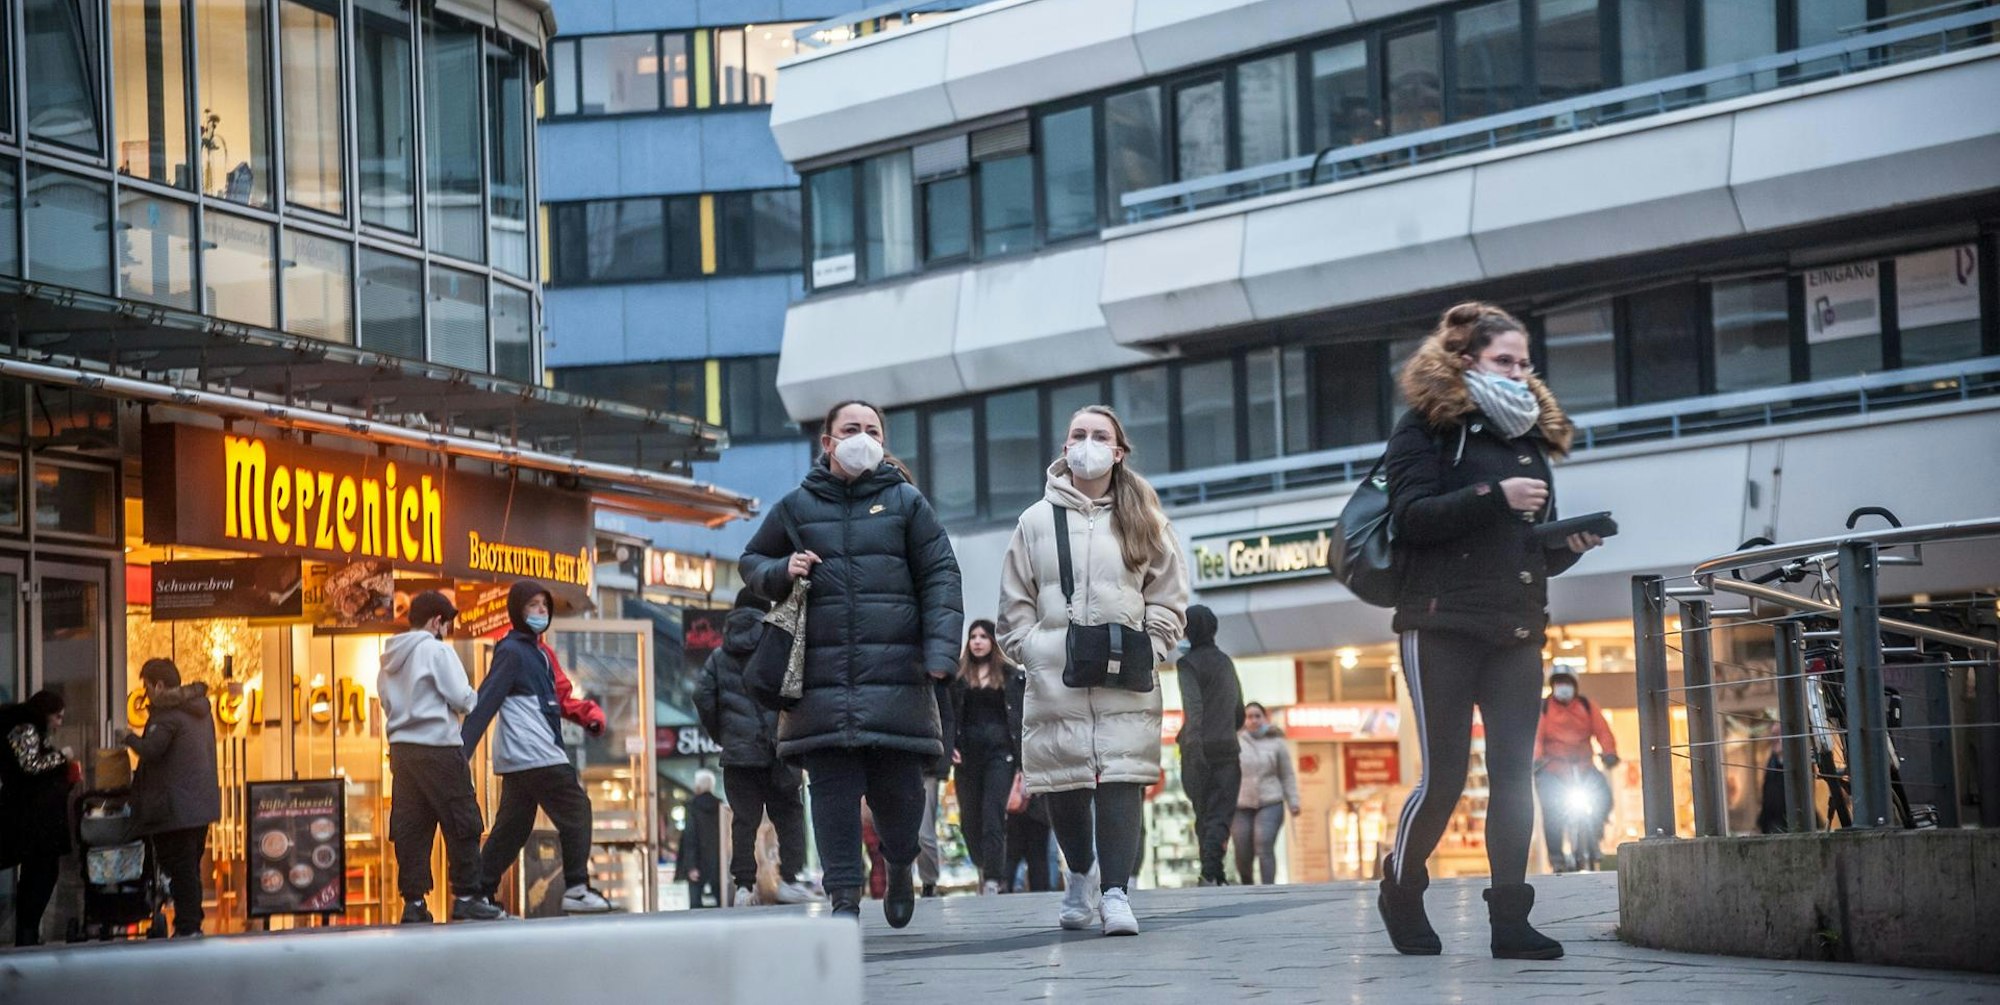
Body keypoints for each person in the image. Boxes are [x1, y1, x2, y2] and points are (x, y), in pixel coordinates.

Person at [1377, 302, 1602, 961]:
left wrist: (1571, 545)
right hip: (1439, 621)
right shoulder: (1426, 428)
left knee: (1513, 775)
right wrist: (1493, 496)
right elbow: (1410, 518)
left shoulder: (1529, 440)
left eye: (1526, 362)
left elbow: (1532, 545)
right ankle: (1401, 882)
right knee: (1444, 775)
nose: (1521, 372)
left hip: (1516, 627)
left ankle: (1510, 918)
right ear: (1467, 359)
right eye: (1506, 360)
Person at [738, 400, 964, 925]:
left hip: (898, 677)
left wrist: (939, 652)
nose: (862, 437)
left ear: (884, 441)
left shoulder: (907, 503)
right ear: (827, 443)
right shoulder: (795, 507)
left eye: (872, 430)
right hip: (821, 683)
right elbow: (751, 562)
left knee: (901, 794)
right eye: (850, 429)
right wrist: (782, 568)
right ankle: (843, 897)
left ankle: (901, 862)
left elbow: (941, 577)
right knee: (833, 795)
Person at [1000, 405, 1189, 937]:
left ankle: (1116, 894)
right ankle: (1081, 873)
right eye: (1078, 435)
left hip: (1124, 671)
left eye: (1099, 435)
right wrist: (1035, 651)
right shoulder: (1034, 521)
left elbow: (1168, 594)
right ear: (1065, 450)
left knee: (1121, 780)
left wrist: (1151, 646)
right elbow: (1014, 603)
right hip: (1056, 675)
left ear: (1118, 451)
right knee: (1063, 785)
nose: (1087, 443)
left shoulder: (1145, 516)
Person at [461, 580, 613, 915]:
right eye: (533, 606)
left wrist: (589, 717)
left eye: (544, 606)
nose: (541, 612)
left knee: (512, 828)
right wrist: (461, 751)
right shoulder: (512, 651)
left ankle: (476, 894)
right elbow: (486, 700)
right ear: (518, 611)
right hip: (535, 751)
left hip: (524, 756)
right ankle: (575, 887)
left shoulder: (541, 653)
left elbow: (560, 698)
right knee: (577, 809)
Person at [380, 591, 507, 924]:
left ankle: (414, 903)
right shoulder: (437, 651)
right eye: (446, 623)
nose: (447, 629)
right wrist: (471, 698)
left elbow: (385, 702)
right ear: (437, 621)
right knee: (462, 819)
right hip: (439, 747)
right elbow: (462, 698)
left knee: (412, 826)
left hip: (402, 752)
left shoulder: (391, 658)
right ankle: (466, 896)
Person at [693, 588, 816, 907]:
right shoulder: (777, 646)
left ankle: (744, 887)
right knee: (789, 814)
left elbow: (702, 697)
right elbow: (796, 690)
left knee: (744, 821)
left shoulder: (718, 657)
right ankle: (789, 879)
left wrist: (723, 734)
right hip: (778, 751)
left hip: (739, 755)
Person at [123, 659, 222, 938]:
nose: (146, 693)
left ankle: (188, 926)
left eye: (147, 686)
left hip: (175, 808)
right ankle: (191, 922)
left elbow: (153, 750)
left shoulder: (167, 713)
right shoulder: (200, 711)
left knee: (180, 867)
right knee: (189, 866)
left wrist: (128, 738)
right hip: (200, 806)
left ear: (159, 685)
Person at [1, 690, 78, 946]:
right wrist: (61, 757)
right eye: (57, 717)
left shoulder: (26, 728)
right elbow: (30, 765)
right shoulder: (25, 729)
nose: (59, 723)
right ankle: (27, 932)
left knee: (39, 876)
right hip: (34, 821)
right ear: (45, 713)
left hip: (34, 820)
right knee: (41, 876)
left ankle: (28, 932)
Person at [1175, 605, 1243, 886]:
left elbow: (1194, 708)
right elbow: (1238, 709)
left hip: (1198, 749)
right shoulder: (1226, 662)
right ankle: (1213, 871)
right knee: (1221, 812)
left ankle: (1210, 871)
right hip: (1227, 747)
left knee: (1203, 812)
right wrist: (1226, 728)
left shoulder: (1187, 664)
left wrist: (1193, 745)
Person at [952, 620, 1015, 896]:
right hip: (966, 757)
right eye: (973, 636)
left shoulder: (1010, 676)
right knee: (968, 820)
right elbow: (948, 714)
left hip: (1000, 755)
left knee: (993, 815)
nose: (977, 641)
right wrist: (949, 745)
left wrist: (1022, 761)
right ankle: (981, 864)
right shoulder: (958, 678)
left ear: (993, 641)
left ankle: (993, 877)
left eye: (983, 636)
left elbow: (1019, 716)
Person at [1533, 671, 1619, 871]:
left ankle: (1596, 830)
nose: (1563, 687)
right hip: (1553, 770)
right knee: (1550, 809)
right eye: (1559, 683)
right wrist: (1536, 761)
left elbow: (1603, 732)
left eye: (1567, 683)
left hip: (1584, 768)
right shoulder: (1544, 709)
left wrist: (1610, 753)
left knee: (1604, 795)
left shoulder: (1587, 706)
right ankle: (1557, 858)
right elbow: (1536, 738)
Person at [1233, 702, 1301, 885]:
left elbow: (1287, 774)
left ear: (1265, 718)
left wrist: (1293, 801)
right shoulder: (1235, 741)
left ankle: (1268, 887)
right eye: (1249, 716)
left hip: (1271, 801)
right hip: (1241, 804)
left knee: (1263, 843)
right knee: (1242, 850)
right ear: (1243, 720)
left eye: (1258, 716)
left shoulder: (1276, 742)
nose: (1254, 720)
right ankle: (1246, 884)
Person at [1001, 659, 1053, 893]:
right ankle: (1017, 890)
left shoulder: (1033, 683)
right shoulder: (1014, 682)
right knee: (1025, 845)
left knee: (1034, 847)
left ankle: (1021, 891)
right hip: (1025, 770)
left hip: (1033, 770)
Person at [677, 770, 723, 908]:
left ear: (697, 786)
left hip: (697, 861)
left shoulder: (692, 807)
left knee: (695, 903)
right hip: (718, 861)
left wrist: (691, 865)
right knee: (723, 901)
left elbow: (690, 837)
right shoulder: (720, 806)